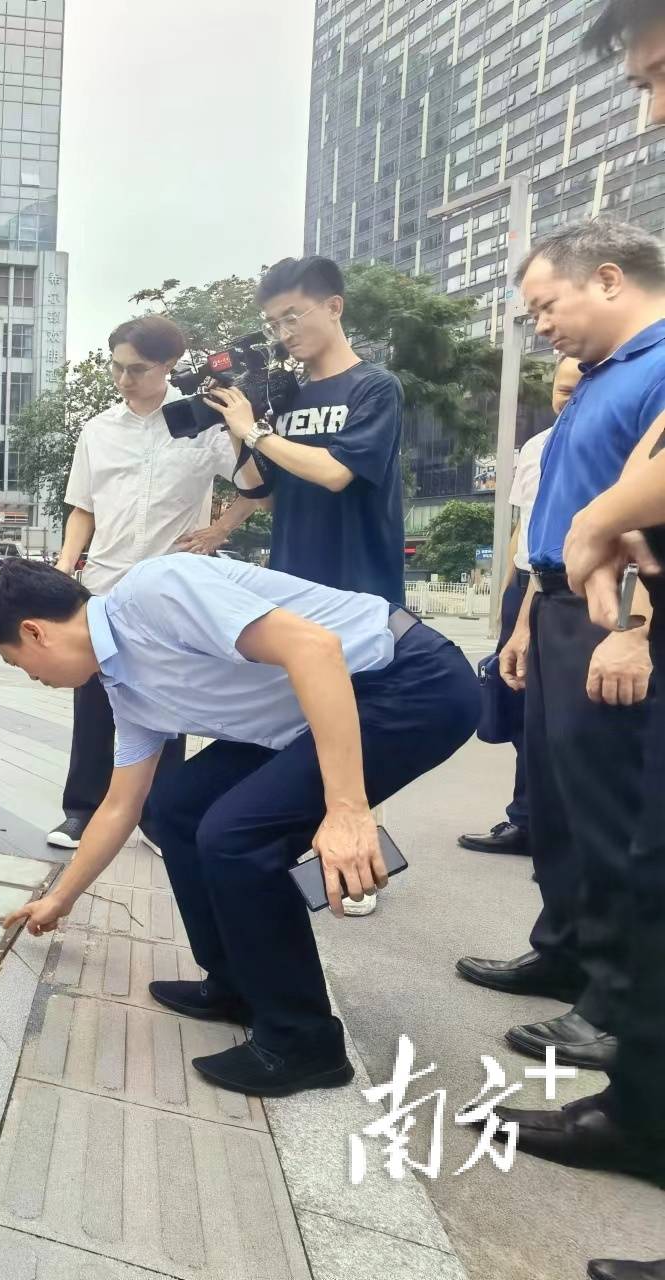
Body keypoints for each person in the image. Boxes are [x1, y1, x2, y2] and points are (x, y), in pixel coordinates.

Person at [0, 557, 477, 1096]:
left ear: (36, 631)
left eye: (18, 663)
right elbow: (121, 806)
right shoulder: (126, 690)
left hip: (404, 681)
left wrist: (347, 811)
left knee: (237, 834)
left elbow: (314, 648)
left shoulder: (154, 594)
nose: (32, 679)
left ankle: (303, 1042)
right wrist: (61, 900)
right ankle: (239, 986)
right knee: (176, 807)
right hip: (318, 709)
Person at [458, 219, 665, 1073]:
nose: (539, 325)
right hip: (553, 608)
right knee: (556, 800)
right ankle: (566, 951)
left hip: (613, 614)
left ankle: (618, 1005)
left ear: (607, 279)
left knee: (614, 814)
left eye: (545, 305)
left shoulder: (657, 368)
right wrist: (521, 622)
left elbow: (647, 525)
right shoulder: (599, 380)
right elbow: (559, 515)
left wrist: (634, 631)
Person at [46, 315, 265, 850]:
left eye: (138, 369)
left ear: (168, 366)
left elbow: (258, 487)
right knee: (95, 699)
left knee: (165, 702)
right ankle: (82, 810)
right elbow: (82, 509)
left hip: (172, 589)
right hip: (105, 582)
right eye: (117, 367)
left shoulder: (203, 425)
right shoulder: (98, 431)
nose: (124, 379)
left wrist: (219, 530)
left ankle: (159, 815)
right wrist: (64, 566)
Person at [228, 256, 407, 607]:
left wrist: (253, 432)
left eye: (292, 317)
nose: (284, 334)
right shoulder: (287, 397)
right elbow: (266, 499)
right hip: (291, 591)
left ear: (333, 307)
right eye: (274, 324)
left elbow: (335, 472)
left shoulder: (375, 387)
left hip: (360, 595)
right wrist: (235, 430)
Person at [457, 358, 578, 856]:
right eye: (560, 389)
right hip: (528, 584)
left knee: (569, 714)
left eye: (578, 388)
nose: (566, 398)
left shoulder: (611, 437)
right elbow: (523, 529)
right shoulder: (535, 446)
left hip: (574, 583)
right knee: (522, 710)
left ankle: (569, 828)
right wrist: (511, 597)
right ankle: (526, 820)